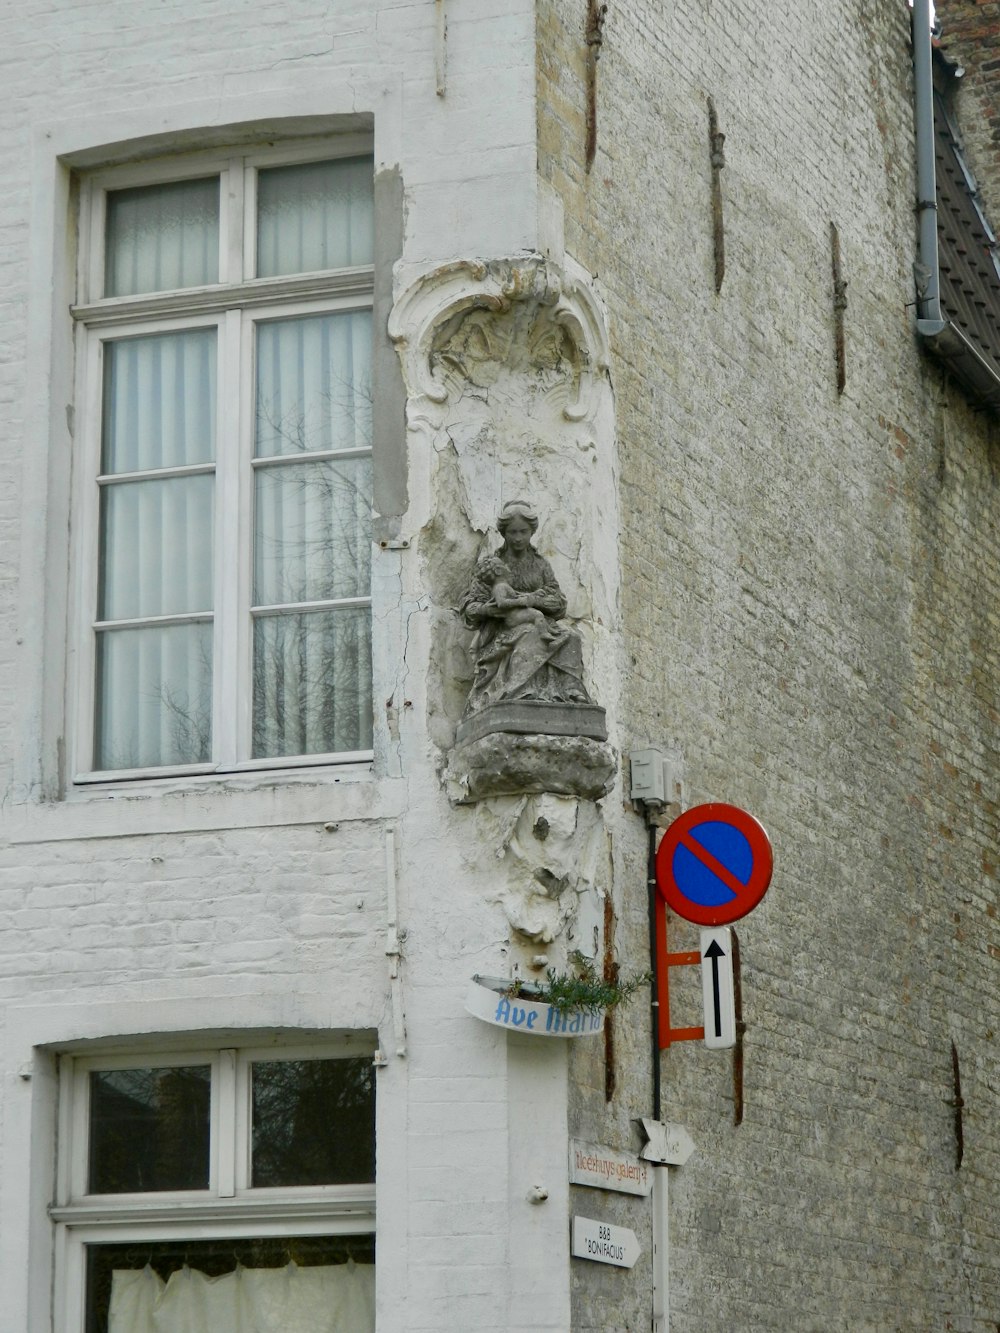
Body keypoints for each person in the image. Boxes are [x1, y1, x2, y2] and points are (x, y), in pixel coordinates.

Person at [458, 501, 594, 716]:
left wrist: (533, 601)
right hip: (503, 630)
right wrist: (487, 610)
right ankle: (519, 691)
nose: (518, 538)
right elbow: (469, 607)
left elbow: (559, 603)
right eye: (513, 532)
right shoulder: (492, 565)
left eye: (524, 532)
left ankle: (569, 691)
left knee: (571, 636)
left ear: (532, 531)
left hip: (536, 619)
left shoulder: (540, 565)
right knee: (531, 634)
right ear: (504, 533)